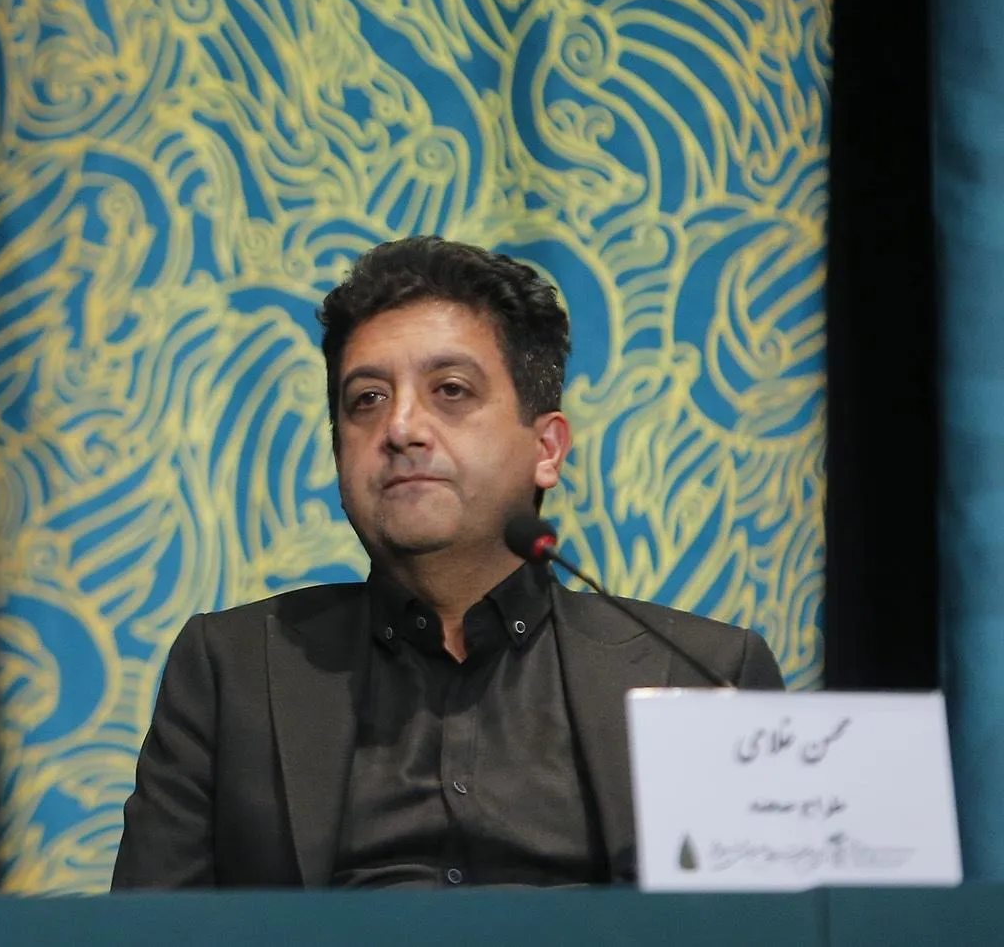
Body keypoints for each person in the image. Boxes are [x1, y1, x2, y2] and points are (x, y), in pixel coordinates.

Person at [111, 236, 783, 889]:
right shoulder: (232, 671)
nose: (401, 427)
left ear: (547, 448)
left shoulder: (701, 677)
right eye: (367, 399)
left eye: (451, 390)